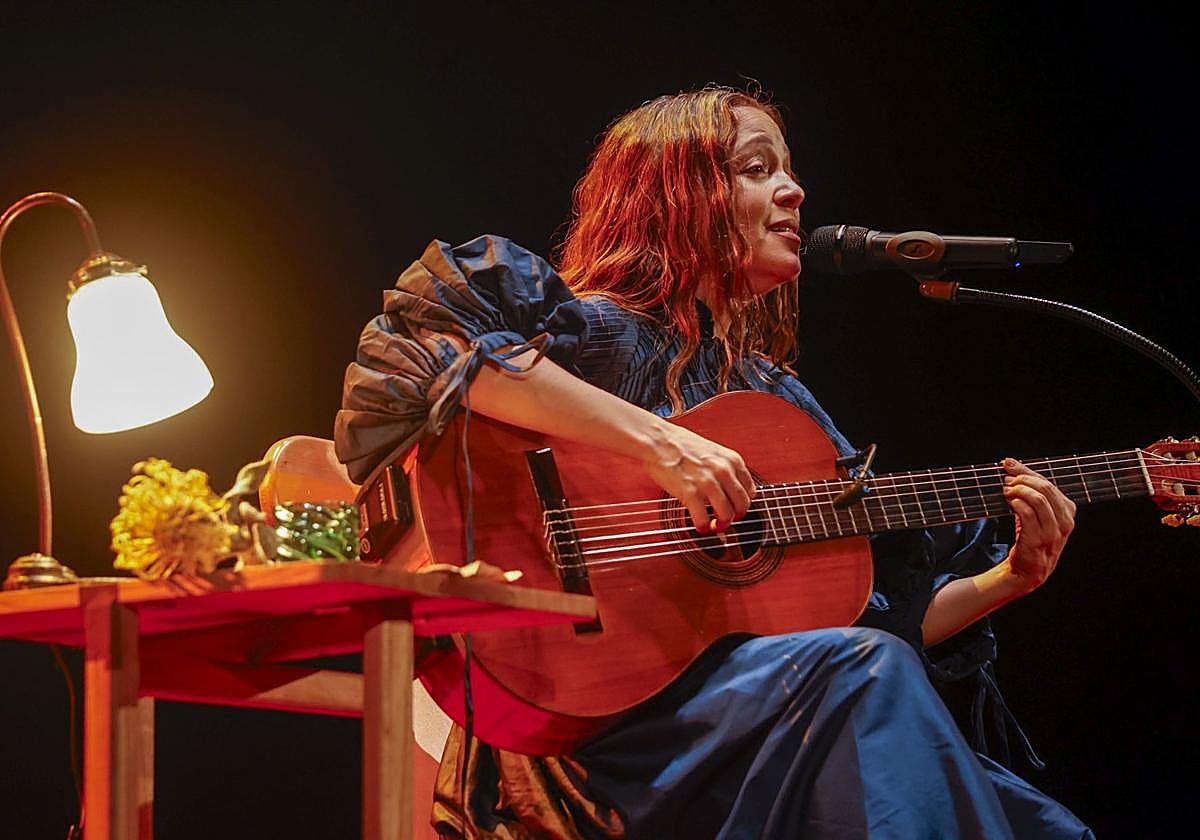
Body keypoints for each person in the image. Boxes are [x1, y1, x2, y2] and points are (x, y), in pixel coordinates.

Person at [335, 87, 1093, 839]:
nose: (794, 191)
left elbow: (862, 617)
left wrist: (1007, 579)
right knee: (866, 676)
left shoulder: (780, 401)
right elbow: (426, 348)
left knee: (1042, 826)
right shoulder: (604, 335)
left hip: (754, 716)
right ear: (676, 194)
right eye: (757, 169)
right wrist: (659, 443)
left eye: (788, 170)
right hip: (591, 737)